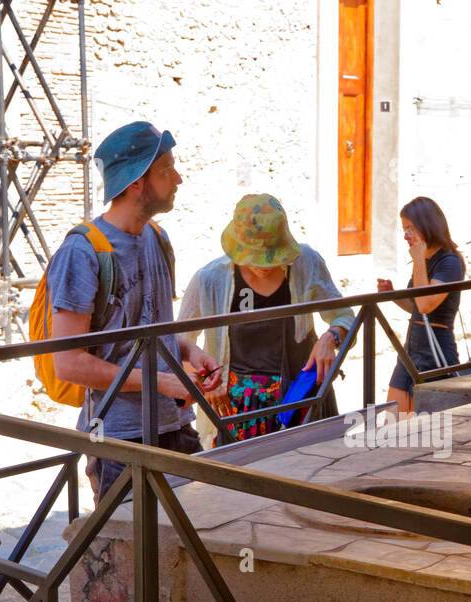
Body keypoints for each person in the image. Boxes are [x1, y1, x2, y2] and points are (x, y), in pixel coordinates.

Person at [45, 121, 222, 502]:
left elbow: (151, 330)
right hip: (119, 442)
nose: (178, 178)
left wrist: (190, 353)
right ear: (136, 182)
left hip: (175, 425)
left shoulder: (158, 238)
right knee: (131, 556)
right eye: (165, 170)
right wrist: (159, 381)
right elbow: (69, 363)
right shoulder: (82, 252)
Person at [179, 194, 355, 445]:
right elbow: (180, 344)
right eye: (255, 256)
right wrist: (206, 382)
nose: (264, 264)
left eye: (272, 255)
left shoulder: (306, 263)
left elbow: (344, 315)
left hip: (299, 400)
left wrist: (331, 336)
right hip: (237, 411)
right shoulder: (209, 280)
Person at [377, 196, 466, 414]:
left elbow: (426, 305)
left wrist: (417, 260)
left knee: (423, 432)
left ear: (427, 224)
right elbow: (417, 307)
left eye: (410, 229)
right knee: (393, 423)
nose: (406, 236)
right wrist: (393, 295)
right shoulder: (424, 258)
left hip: (434, 349)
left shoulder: (450, 262)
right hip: (411, 347)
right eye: (404, 229)